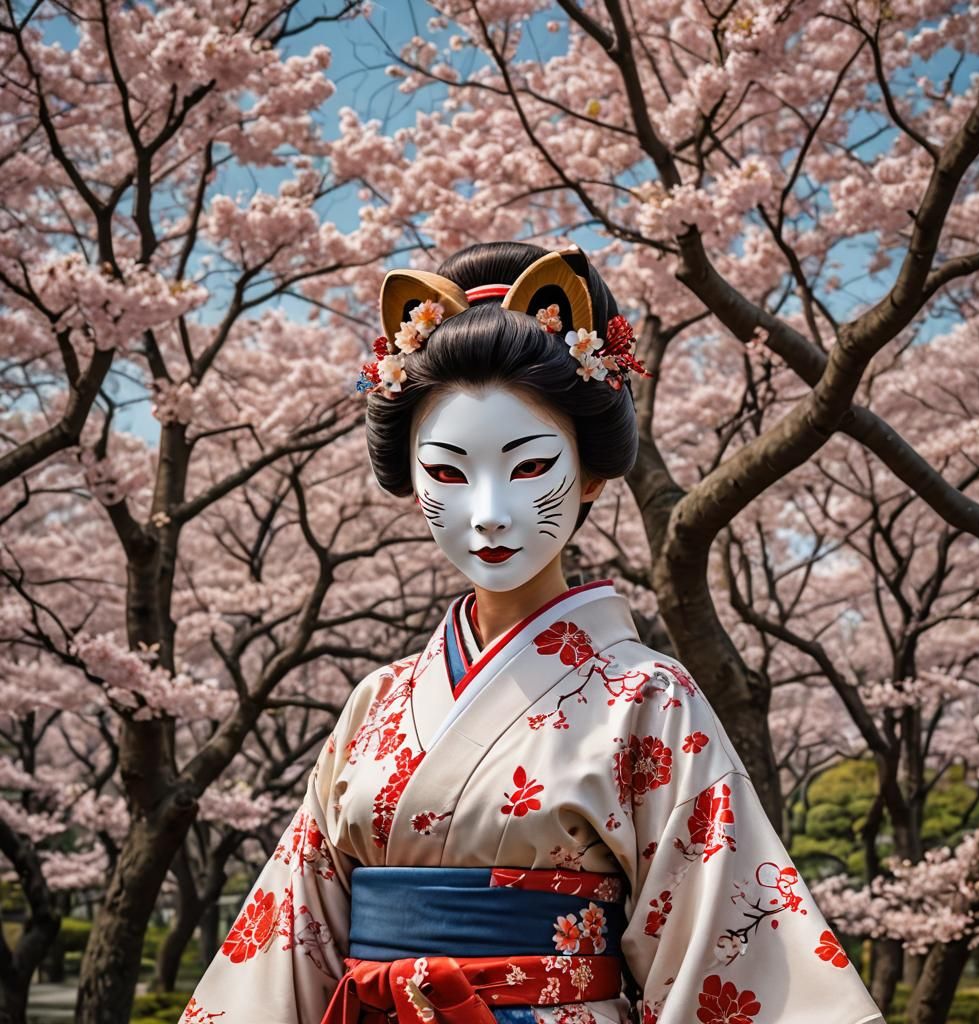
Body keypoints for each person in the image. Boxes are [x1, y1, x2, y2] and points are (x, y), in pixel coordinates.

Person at [180, 243, 884, 1024]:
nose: (487, 513)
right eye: (448, 472)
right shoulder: (375, 704)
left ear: (588, 473)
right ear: (410, 479)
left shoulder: (647, 699)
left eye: (526, 469)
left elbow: (722, 954)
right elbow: (291, 938)